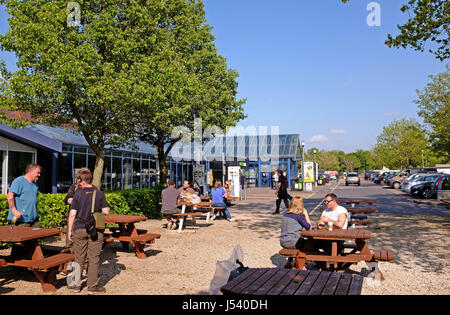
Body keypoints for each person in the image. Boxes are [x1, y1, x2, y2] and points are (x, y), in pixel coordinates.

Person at [67, 168, 110, 294]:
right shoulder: (99, 193)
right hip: (95, 230)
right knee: (94, 258)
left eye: (79, 180)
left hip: (79, 228)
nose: (78, 183)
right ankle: (92, 287)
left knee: (78, 257)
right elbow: (106, 211)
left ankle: (75, 285)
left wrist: (70, 230)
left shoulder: (78, 194)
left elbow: (72, 214)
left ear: (83, 182)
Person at [280, 196, 311, 269]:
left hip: (283, 242)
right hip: (293, 243)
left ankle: (289, 262)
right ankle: (301, 265)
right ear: (301, 206)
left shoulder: (285, 214)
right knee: (310, 243)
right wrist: (306, 214)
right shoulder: (299, 216)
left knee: (297, 240)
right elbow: (309, 227)